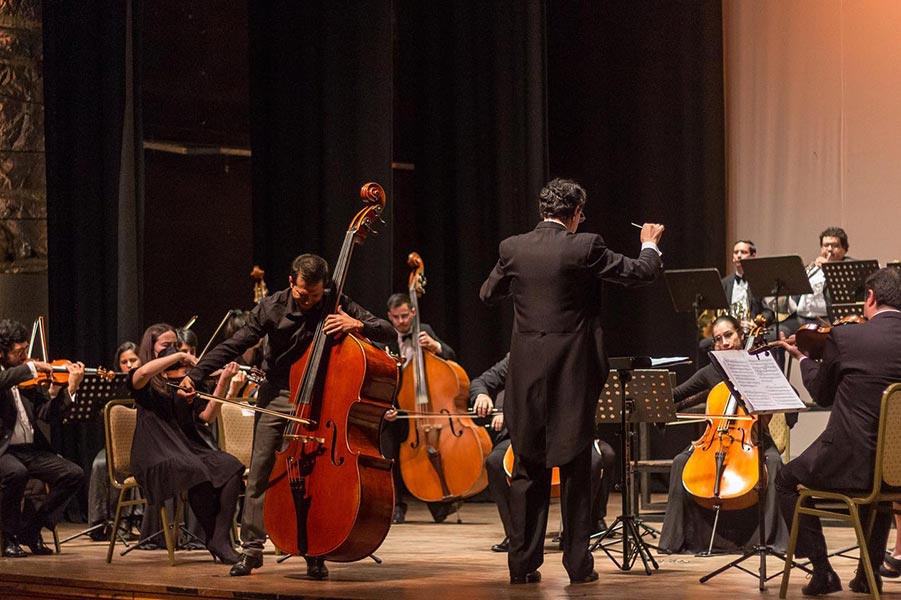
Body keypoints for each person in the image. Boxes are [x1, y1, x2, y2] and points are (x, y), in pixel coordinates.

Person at [480, 178, 663, 584]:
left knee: (528, 467)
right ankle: (578, 565)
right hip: (572, 374)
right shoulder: (585, 246)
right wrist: (649, 242)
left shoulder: (513, 247)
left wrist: (528, 290)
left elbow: (488, 293)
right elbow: (639, 273)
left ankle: (522, 565)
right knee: (577, 467)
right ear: (576, 213)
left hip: (525, 372)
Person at [180, 253, 395, 579]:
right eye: (302, 294)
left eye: (315, 295)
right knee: (262, 469)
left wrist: (358, 324)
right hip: (279, 392)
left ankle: (314, 550)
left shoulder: (335, 300)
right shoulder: (272, 307)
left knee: (314, 476)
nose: (309, 302)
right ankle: (252, 549)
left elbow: (389, 332)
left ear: (325, 287)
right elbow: (234, 345)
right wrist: (196, 376)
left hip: (323, 398)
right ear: (291, 283)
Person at [774, 267, 901, 596]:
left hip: (848, 459)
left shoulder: (847, 337)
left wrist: (804, 358)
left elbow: (822, 394)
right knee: (880, 485)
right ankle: (867, 574)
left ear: (870, 297)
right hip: (896, 468)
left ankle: (822, 571)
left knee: (786, 480)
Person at [658, 315, 790, 555]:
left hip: (752, 438)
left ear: (741, 334)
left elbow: (781, 399)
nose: (724, 343)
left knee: (773, 463)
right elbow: (677, 394)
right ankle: (673, 540)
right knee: (680, 462)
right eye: (718, 339)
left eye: (728, 335)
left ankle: (771, 541)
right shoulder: (712, 370)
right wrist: (652, 404)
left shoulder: (758, 364)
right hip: (716, 438)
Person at [470, 353, 615, 553]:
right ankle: (516, 535)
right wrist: (482, 395)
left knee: (594, 460)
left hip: (567, 433)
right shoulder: (518, 357)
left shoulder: (572, 357)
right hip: (523, 435)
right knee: (495, 461)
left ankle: (575, 534)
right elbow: (481, 381)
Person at [128, 323, 245, 564]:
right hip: (155, 450)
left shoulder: (183, 379)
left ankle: (219, 538)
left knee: (231, 466)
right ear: (151, 348)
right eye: (166, 345)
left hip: (184, 446)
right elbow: (140, 375)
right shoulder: (145, 378)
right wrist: (182, 355)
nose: (173, 350)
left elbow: (206, 418)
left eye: (175, 345)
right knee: (195, 470)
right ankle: (217, 539)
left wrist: (222, 382)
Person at [0, 319, 85, 557]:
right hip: (4, 451)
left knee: (73, 473)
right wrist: (32, 367)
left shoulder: (27, 382)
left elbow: (46, 414)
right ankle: (7, 537)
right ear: (2, 353)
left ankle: (31, 529)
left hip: (28, 450)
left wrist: (67, 390)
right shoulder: (12, 376)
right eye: (19, 353)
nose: (26, 357)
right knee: (16, 473)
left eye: (26, 351)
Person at [380, 292, 459, 524]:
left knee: (429, 451)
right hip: (396, 408)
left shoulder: (425, 329)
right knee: (390, 454)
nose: (401, 321)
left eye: (405, 315)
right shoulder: (385, 337)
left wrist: (436, 346)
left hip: (421, 405)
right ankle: (396, 507)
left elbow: (452, 357)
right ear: (389, 317)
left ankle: (438, 505)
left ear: (413, 313)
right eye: (396, 317)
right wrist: (386, 407)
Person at [86, 341, 142, 541]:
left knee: (126, 465)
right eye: (124, 362)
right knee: (100, 464)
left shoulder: (147, 382)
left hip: (143, 445)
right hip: (116, 448)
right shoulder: (113, 387)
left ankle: (124, 522)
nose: (128, 365)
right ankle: (101, 524)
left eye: (133, 360)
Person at [767, 226, 853, 336]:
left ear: (844, 249)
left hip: (826, 320)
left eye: (835, 245)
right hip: (800, 318)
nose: (829, 249)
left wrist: (828, 269)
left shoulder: (848, 268)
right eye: (826, 245)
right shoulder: (812, 268)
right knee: (774, 333)